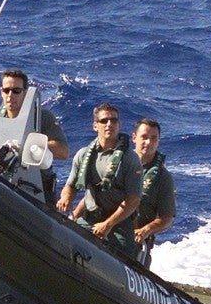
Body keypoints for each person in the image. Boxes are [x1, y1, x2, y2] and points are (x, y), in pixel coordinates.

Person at [56, 103, 142, 260]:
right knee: (62, 240)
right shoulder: (83, 155)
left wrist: (108, 225)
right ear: (95, 126)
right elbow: (71, 185)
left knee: (123, 256)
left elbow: (133, 200)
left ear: (119, 125)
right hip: (90, 218)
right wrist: (66, 198)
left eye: (114, 120)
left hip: (118, 223)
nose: (109, 124)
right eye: (104, 121)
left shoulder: (130, 159)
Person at [0, 69, 70, 203]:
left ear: (25, 93)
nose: (10, 95)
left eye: (16, 91)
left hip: (36, 187)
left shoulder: (42, 117)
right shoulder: (1, 117)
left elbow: (64, 152)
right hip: (6, 181)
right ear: (1, 91)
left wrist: (31, 146)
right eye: (6, 90)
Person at [131, 118, 176, 268]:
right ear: (134, 138)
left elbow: (167, 218)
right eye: (144, 137)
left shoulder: (163, 178)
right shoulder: (117, 164)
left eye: (153, 138)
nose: (148, 143)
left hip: (134, 242)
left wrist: (146, 230)